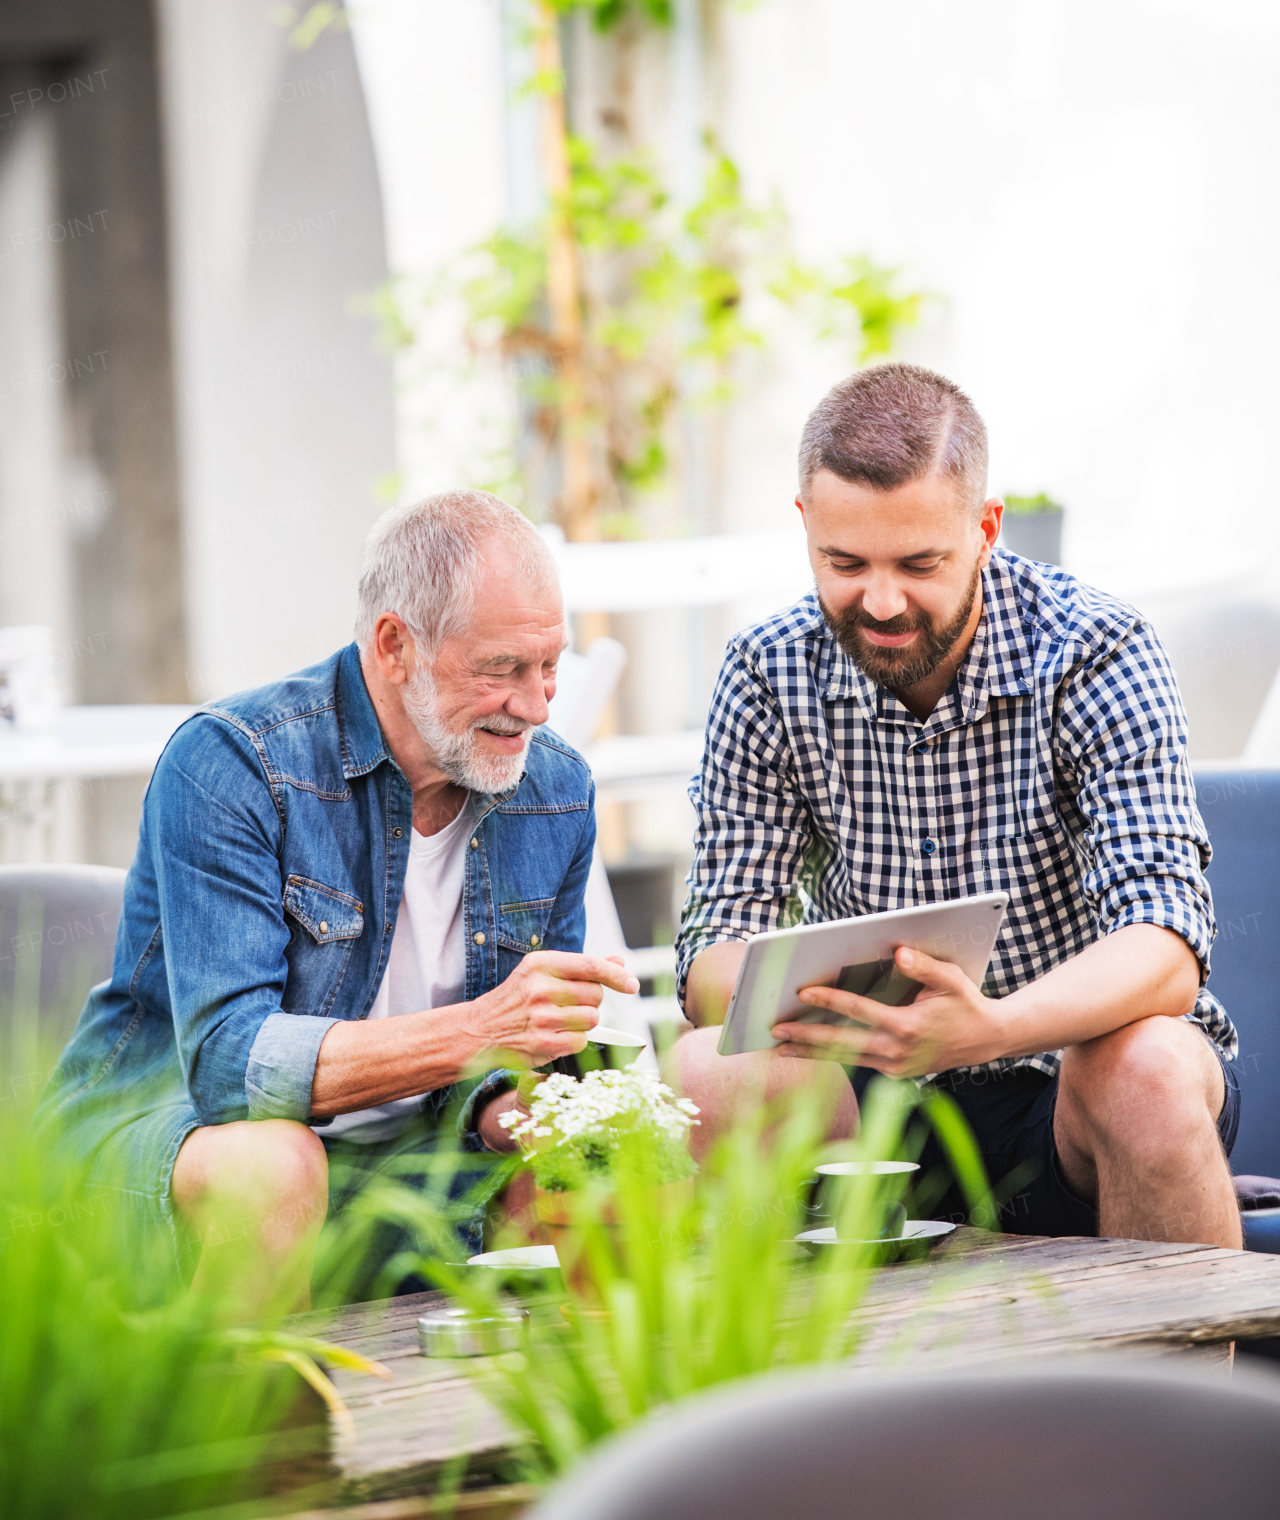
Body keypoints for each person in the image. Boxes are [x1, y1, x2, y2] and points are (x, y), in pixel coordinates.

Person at [673, 365, 1242, 1249]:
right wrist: (844, 1010)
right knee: (705, 1070)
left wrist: (989, 1029)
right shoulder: (764, 670)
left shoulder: (1098, 648)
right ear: (805, 528)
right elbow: (712, 953)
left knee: (1153, 1066)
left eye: (921, 563)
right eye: (845, 563)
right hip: (864, 1093)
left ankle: (1182, 1392)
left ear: (985, 530)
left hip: (1067, 1087)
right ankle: (794, 1386)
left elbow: (1164, 943)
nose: (884, 602)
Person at [41, 491, 637, 1307]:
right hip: (176, 1137)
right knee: (277, 1166)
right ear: (395, 645)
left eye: (550, 667)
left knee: (592, 1163)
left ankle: (547, 1431)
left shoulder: (555, 786)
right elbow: (228, 1069)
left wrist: (516, 1105)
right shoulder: (234, 765)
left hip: (412, 1147)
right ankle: (254, 1431)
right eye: (501, 671)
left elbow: (523, 1058)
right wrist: (482, 1031)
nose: (535, 705)